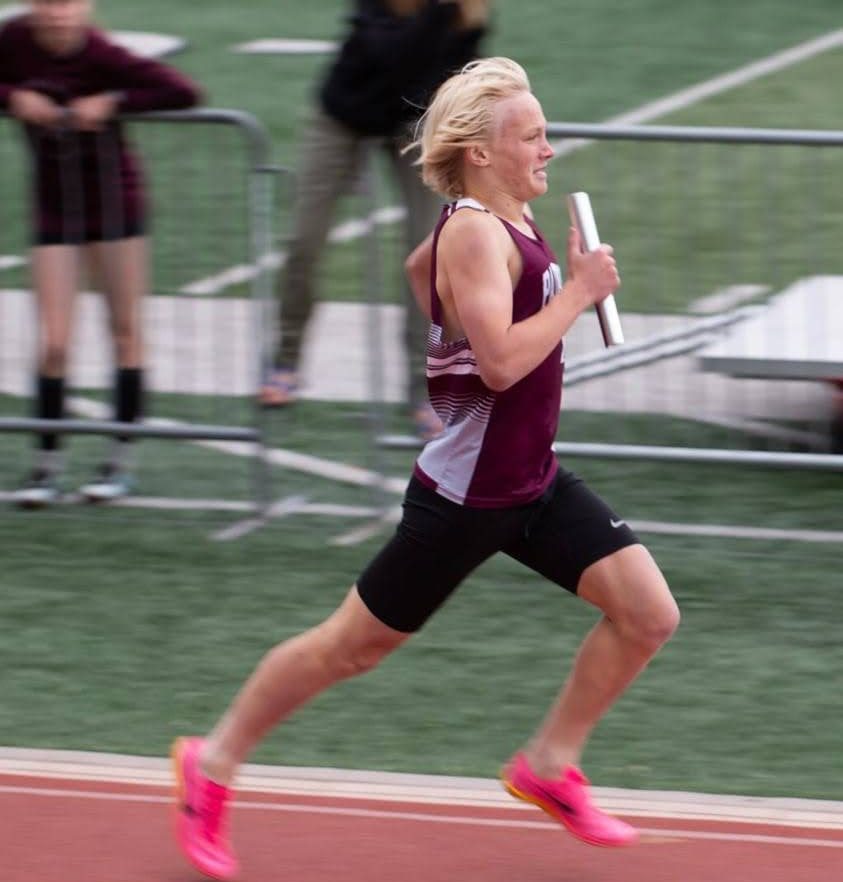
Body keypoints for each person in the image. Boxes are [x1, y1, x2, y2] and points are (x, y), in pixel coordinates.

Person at [173, 57, 680, 880]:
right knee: (348, 649)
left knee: (648, 615)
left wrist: (447, 343)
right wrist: (577, 294)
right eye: (533, 136)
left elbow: (422, 272)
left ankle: (547, 766)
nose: (548, 148)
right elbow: (504, 364)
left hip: (531, 481)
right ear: (480, 151)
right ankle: (214, 761)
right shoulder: (477, 228)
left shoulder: (499, 216)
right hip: (465, 498)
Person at [0, 0, 202, 507]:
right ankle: (46, 466)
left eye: (68, 3)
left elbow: (181, 91)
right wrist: (13, 96)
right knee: (53, 341)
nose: (57, 14)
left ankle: (119, 461)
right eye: (46, 3)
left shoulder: (103, 53)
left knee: (124, 330)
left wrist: (111, 102)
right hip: (55, 208)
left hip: (116, 205)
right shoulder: (13, 43)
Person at [260, 0, 491, 440]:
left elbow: (460, 73)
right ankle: (285, 358)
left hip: (415, 121)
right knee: (303, 241)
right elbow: (394, 56)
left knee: (431, 253)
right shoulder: (395, 10)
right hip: (344, 114)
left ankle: (426, 388)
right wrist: (444, 13)